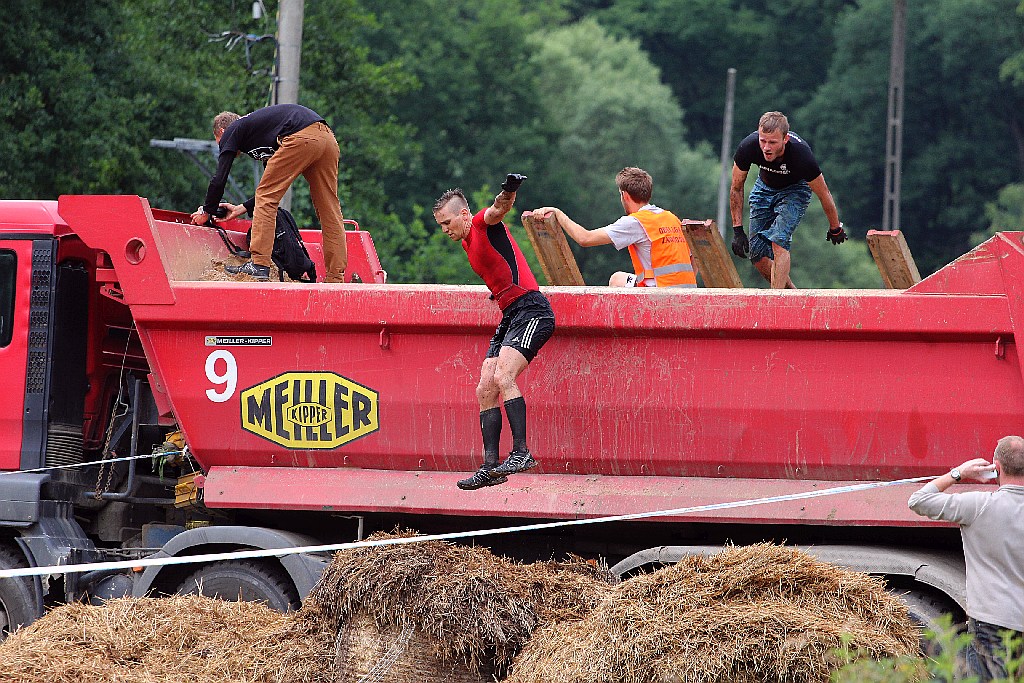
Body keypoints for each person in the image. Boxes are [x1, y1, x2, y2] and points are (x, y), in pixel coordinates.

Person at [433, 175, 555, 490]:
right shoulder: (464, 242)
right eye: (440, 225)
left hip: (532, 310)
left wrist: (509, 190)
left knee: (503, 375)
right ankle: (490, 467)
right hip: (510, 315)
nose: (444, 229)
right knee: (485, 387)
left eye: (447, 222)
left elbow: (497, 210)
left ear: (462, 215)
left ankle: (521, 453)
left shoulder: (478, 224)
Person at [908, 436, 1024, 681]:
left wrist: (959, 473)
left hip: (992, 622)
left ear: (997, 468)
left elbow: (918, 501)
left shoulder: (978, 505)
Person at [190, 103, 347, 283]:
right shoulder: (263, 133)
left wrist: (207, 211)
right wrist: (240, 209)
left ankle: (258, 264)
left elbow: (219, 179)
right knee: (329, 210)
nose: (222, 148)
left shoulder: (234, 129)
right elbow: (273, 187)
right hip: (327, 138)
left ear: (223, 130)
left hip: (300, 135)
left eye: (219, 141)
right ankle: (335, 277)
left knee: (267, 198)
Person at [730, 111, 846, 289]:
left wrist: (835, 226)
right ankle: (791, 295)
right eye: (763, 141)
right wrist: (737, 230)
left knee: (779, 239)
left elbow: (824, 194)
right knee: (757, 255)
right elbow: (736, 187)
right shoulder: (748, 147)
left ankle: (776, 301)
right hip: (764, 187)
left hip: (795, 190)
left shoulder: (801, 154)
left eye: (772, 142)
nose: (766, 148)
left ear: (785, 139)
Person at [527, 167, 696, 288]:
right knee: (622, 279)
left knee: (616, 279)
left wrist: (558, 213)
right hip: (688, 294)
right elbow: (693, 260)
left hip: (659, 296)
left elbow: (585, 238)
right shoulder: (671, 218)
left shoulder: (636, 222)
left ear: (625, 195)